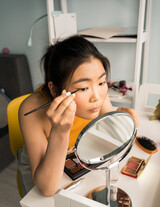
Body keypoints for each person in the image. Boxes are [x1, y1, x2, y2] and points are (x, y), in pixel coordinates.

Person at [18, 35, 139, 198]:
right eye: (83, 88)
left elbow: (115, 132)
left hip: (78, 153)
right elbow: (47, 188)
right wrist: (59, 131)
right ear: (55, 90)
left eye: (102, 82)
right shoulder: (31, 109)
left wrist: (125, 120)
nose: (96, 96)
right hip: (44, 165)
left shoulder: (96, 95)